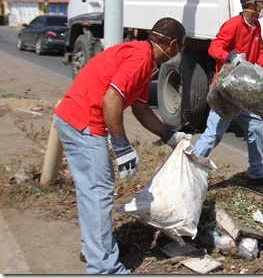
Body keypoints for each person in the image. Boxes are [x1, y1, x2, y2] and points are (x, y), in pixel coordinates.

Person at [54, 17, 191, 274]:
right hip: (83, 122)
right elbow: (112, 99)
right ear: (172, 44)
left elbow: (140, 107)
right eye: (181, 48)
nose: (178, 54)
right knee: (97, 193)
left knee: (92, 192)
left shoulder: (144, 58)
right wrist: (121, 145)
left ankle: (94, 249)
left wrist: (170, 136)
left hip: (74, 118)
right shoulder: (140, 58)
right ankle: (104, 267)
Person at [193, 0, 263, 186]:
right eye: (262, 2)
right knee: (214, 134)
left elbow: (257, 55)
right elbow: (214, 47)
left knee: (255, 125)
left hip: (240, 91)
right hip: (225, 90)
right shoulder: (233, 25)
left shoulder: (255, 26)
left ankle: (256, 173)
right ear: (253, 4)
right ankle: (189, 168)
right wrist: (231, 57)